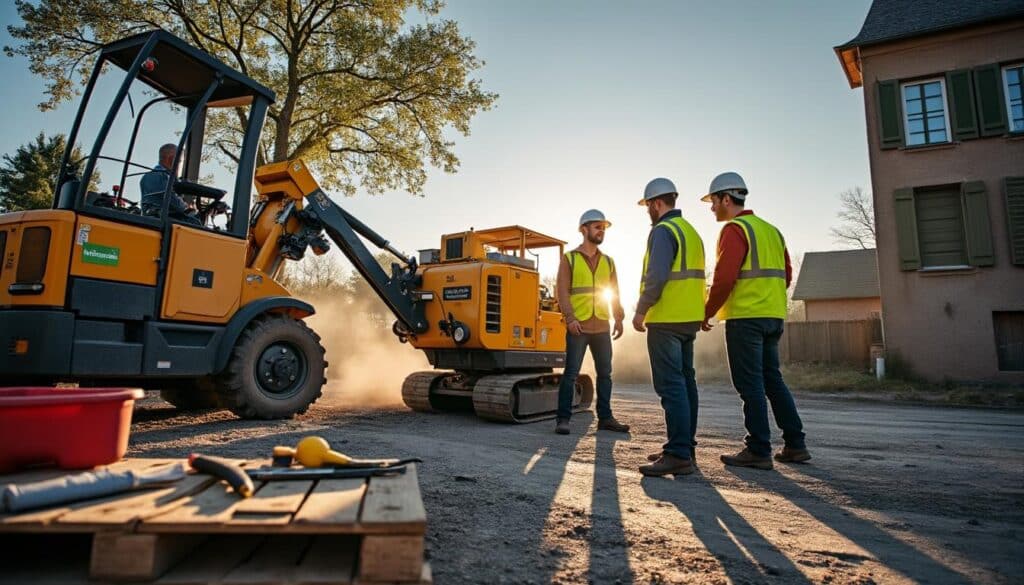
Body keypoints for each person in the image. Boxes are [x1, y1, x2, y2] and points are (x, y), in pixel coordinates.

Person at [701, 171, 810, 470]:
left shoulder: (735, 229)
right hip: (773, 316)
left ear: (726, 198)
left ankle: (759, 449)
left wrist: (707, 311)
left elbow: (724, 279)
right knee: (773, 380)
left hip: (746, 318)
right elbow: (786, 276)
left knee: (750, 384)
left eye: (713, 201)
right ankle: (795, 445)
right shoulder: (771, 230)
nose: (712, 208)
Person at [632, 178, 706, 477]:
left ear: (655, 203)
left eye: (648, 206)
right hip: (689, 318)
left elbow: (657, 275)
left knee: (671, 386)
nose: (648, 211)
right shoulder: (691, 231)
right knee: (687, 383)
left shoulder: (662, 231)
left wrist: (641, 309)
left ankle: (677, 454)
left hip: (666, 319)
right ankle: (684, 447)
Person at [554, 209, 629, 435]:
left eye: (603, 228)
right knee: (571, 373)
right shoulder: (570, 259)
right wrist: (570, 318)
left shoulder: (609, 261)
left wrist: (618, 316)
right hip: (579, 326)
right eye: (597, 227)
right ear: (584, 229)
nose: (601, 231)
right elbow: (562, 292)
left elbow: (614, 291)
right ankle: (563, 419)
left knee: (605, 374)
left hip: (602, 326)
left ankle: (605, 418)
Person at [140, 143, 197, 223]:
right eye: (179, 161)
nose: (179, 165)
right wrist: (190, 209)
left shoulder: (147, 177)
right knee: (196, 221)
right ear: (171, 160)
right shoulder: (160, 177)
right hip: (163, 221)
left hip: (156, 218)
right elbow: (175, 204)